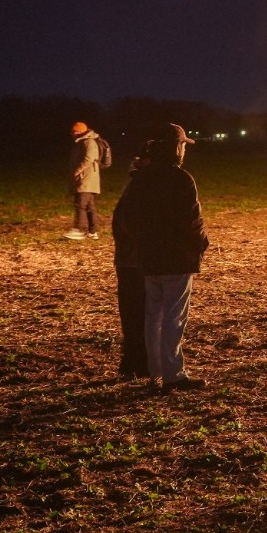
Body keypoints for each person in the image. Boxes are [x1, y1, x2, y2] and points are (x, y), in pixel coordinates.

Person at [112, 126, 210, 390]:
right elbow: (192, 220)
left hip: (148, 258)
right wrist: (202, 243)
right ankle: (173, 374)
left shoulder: (141, 178)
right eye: (183, 145)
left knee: (153, 314)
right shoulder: (180, 178)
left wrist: (143, 243)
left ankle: (154, 370)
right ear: (176, 148)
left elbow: (127, 218)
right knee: (173, 316)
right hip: (176, 257)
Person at [110, 147, 151, 378]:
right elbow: (129, 225)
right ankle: (137, 360)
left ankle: (134, 360)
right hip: (135, 261)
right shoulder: (140, 188)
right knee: (139, 310)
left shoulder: (136, 185)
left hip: (131, 260)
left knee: (136, 311)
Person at [67, 122, 112, 240]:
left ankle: (79, 230)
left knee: (80, 203)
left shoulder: (89, 142)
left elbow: (88, 159)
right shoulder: (81, 142)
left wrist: (77, 171)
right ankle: (92, 232)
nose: (72, 133)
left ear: (80, 131)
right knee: (89, 206)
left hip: (87, 178)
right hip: (86, 178)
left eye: (74, 131)